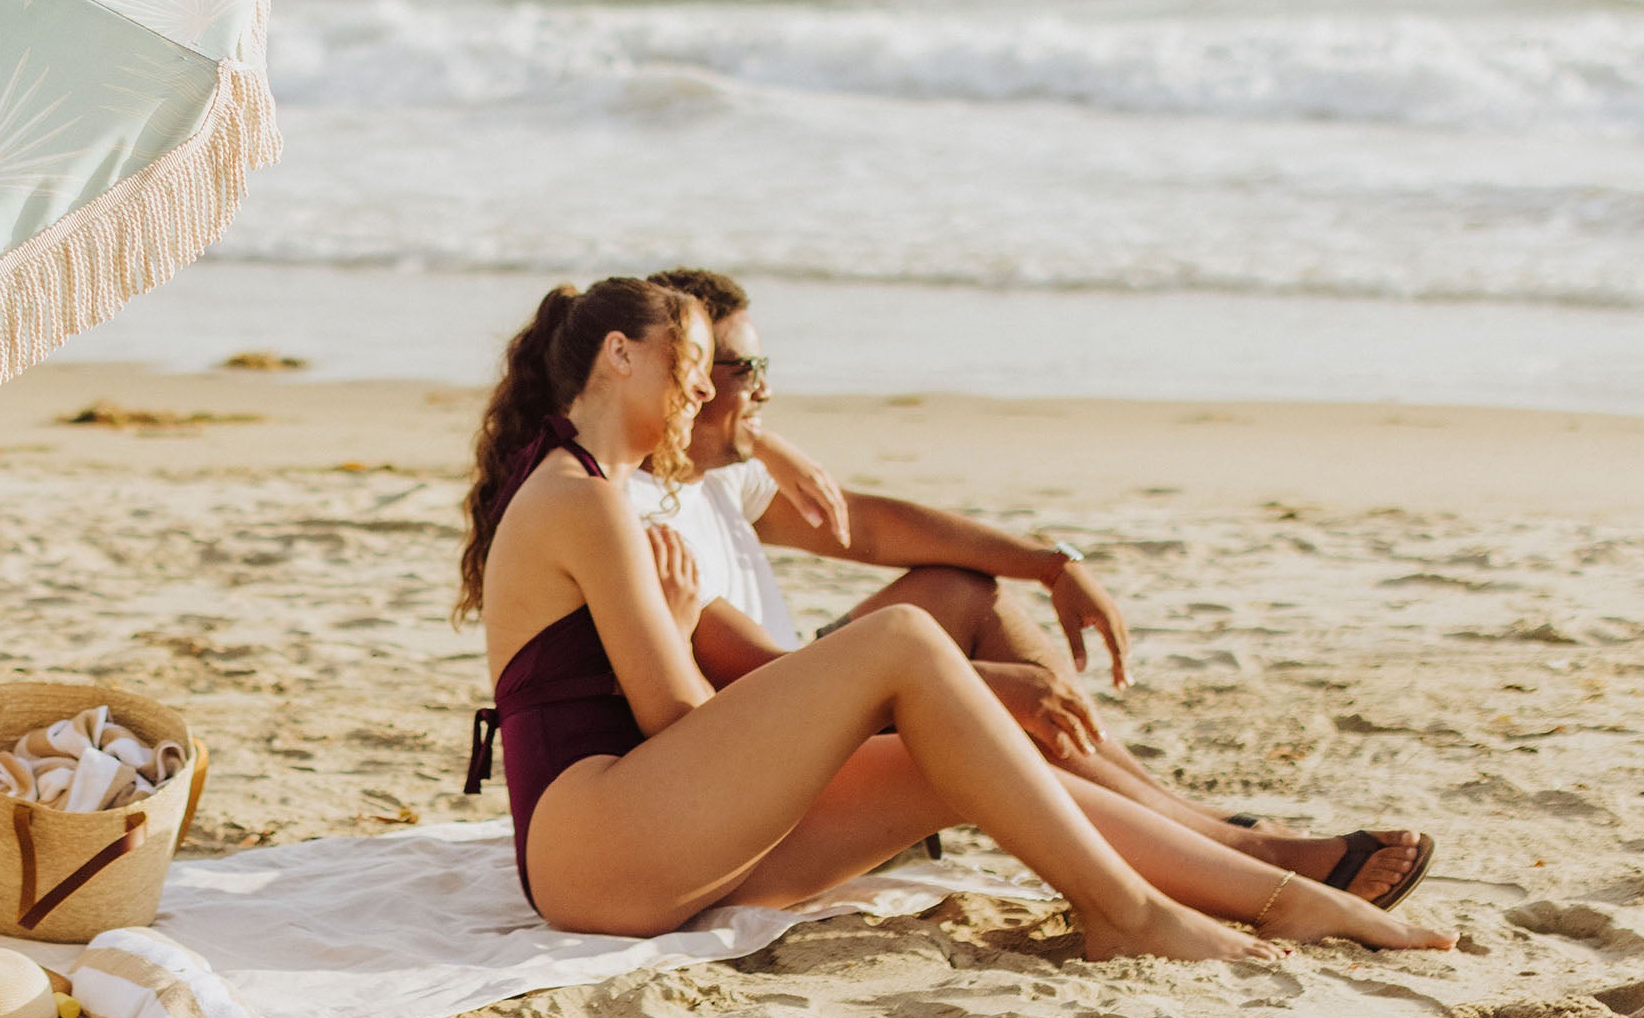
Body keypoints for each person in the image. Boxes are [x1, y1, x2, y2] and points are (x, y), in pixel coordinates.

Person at [465, 276, 1449, 956]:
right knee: (900, 642)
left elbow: (856, 531)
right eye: (688, 377)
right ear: (618, 356)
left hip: (641, 842)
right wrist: (680, 618)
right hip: (598, 846)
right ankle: (1132, 913)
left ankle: (1286, 899)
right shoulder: (583, 499)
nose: (698, 400)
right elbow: (673, 721)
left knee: (961, 759)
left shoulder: (597, 486)